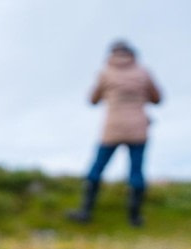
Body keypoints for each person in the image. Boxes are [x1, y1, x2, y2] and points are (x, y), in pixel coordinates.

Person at [67, 41, 162, 227]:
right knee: (136, 171)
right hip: (138, 128)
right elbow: (157, 98)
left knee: (97, 168)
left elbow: (92, 100)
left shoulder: (105, 73)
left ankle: (85, 211)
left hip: (113, 127)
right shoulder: (143, 73)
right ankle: (134, 218)